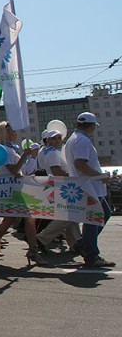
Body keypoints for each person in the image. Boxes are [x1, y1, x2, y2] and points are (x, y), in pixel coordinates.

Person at [0, 121, 47, 265]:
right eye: (13, 131)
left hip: (14, 188)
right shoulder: (4, 150)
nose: (15, 134)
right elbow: (13, 170)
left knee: (9, 220)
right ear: (6, 133)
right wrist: (24, 155)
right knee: (29, 219)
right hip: (11, 189)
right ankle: (33, 251)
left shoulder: (9, 149)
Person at [65, 112, 115, 267]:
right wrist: (100, 176)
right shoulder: (83, 141)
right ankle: (91, 254)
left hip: (85, 186)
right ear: (92, 125)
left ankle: (83, 244)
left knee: (100, 216)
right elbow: (81, 164)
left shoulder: (73, 139)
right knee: (94, 219)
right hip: (90, 186)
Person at [35, 130, 81, 252]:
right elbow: (57, 172)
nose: (57, 141)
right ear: (48, 140)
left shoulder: (46, 151)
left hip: (57, 187)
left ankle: (76, 243)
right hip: (61, 187)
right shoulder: (53, 153)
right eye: (54, 138)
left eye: (59, 138)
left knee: (71, 215)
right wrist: (73, 175)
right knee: (69, 215)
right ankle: (42, 238)